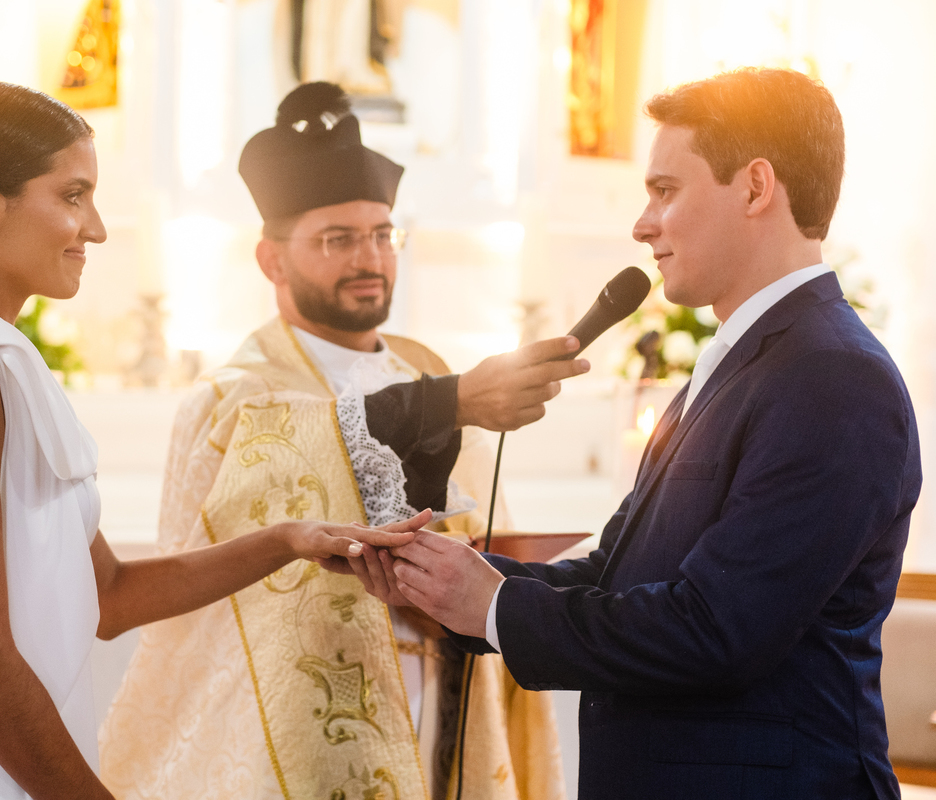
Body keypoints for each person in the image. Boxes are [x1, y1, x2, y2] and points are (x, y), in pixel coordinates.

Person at [0, 79, 420, 800]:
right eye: (73, 196)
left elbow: (110, 597)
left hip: (9, 753)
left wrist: (288, 540)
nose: (96, 229)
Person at [351, 67, 923, 800]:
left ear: (755, 188)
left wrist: (493, 605)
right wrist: (436, 579)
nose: (641, 224)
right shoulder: (742, 362)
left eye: (664, 190)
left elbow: (715, 631)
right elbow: (613, 578)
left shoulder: (834, 376)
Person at [99, 82, 585, 800]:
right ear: (272, 260)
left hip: (445, 690)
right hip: (306, 723)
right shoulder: (233, 396)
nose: (370, 258)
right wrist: (452, 401)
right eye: (338, 239)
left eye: (383, 235)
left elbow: (483, 521)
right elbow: (281, 464)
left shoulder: (424, 367)